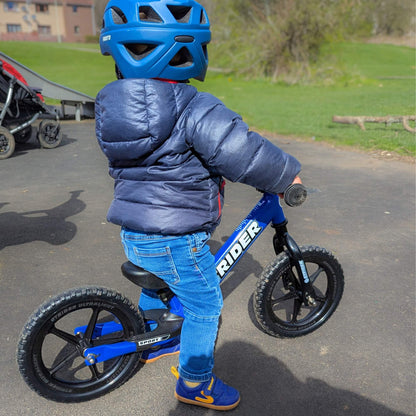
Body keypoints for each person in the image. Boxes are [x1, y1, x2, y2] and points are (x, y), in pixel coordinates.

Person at [95, 0, 302, 411]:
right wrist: (287, 175)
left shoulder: (110, 108)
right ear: (187, 53)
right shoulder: (193, 107)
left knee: (162, 280)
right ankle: (194, 384)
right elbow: (242, 152)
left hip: (134, 231)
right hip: (177, 237)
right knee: (206, 305)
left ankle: (156, 337)